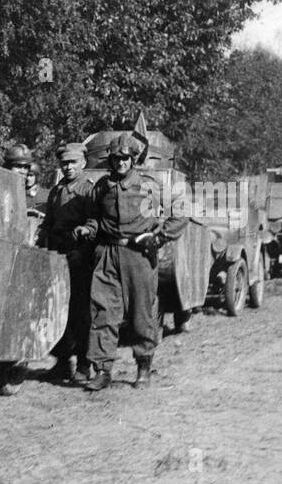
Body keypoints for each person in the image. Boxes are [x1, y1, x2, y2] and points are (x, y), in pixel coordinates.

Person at [74, 133, 185, 391]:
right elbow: (94, 218)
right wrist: (88, 229)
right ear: (110, 160)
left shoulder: (148, 185)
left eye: (125, 158)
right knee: (103, 311)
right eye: (116, 158)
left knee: (141, 313)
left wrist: (160, 238)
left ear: (133, 159)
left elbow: (181, 211)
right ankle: (103, 370)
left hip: (139, 256)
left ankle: (143, 366)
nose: (120, 162)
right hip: (107, 255)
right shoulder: (101, 187)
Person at [37, 142, 96, 383]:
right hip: (57, 255)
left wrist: (83, 241)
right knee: (56, 310)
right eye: (64, 163)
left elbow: (94, 222)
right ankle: (62, 362)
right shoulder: (56, 191)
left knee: (80, 312)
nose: (68, 167)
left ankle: (83, 364)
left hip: (80, 257)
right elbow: (48, 223)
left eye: (73, 162)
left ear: (83, 163)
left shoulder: (88, 190)